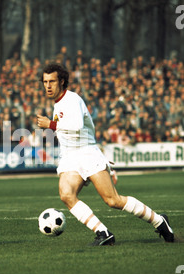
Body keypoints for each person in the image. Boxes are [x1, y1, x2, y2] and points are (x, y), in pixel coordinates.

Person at [37, 63, 174, 245]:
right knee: (66, 195)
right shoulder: (58, 104)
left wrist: (51, 125)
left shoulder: (72, 99)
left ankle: (159, 220)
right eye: (45, 82)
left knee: (113, 201)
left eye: (52, 81)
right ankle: (103, 233)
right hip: (70, 157)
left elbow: (77, 127)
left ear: (62, 82)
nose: (48, 85)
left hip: (86, 154)